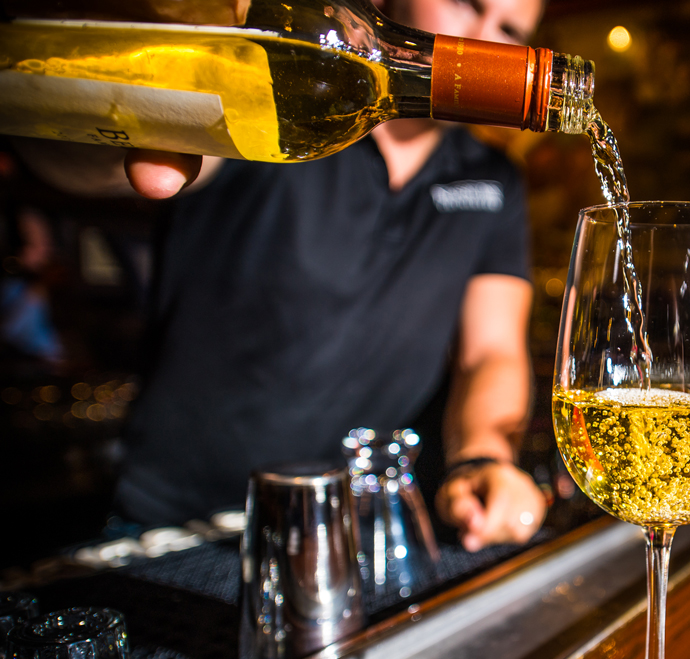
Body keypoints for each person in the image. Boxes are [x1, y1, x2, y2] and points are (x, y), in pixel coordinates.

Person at [10, 0, 549, 552]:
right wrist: (101, 118)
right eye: (466, 4)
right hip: (184, 523)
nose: (482, 39)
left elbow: (492, 350)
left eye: (509, 29)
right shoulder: (287, 99)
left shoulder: (493, 179)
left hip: (351, 525)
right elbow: (77, 160)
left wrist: (483, 456)